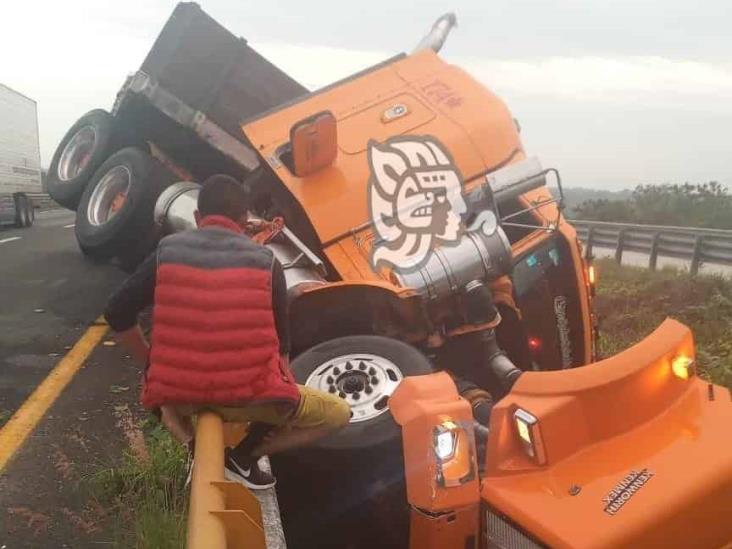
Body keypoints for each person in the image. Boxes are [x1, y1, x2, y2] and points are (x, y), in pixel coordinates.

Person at [104, 174, 350, 489]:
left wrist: (150, 363)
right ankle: (244, 457)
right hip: (247, 400)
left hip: (181, 399)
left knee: (161, 395)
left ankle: (192, 445)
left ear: (197, 216)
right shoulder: (267, 263)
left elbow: (116, 311)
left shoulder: (166, 252)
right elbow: (282, 359)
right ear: (245, 220)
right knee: (337, 413)